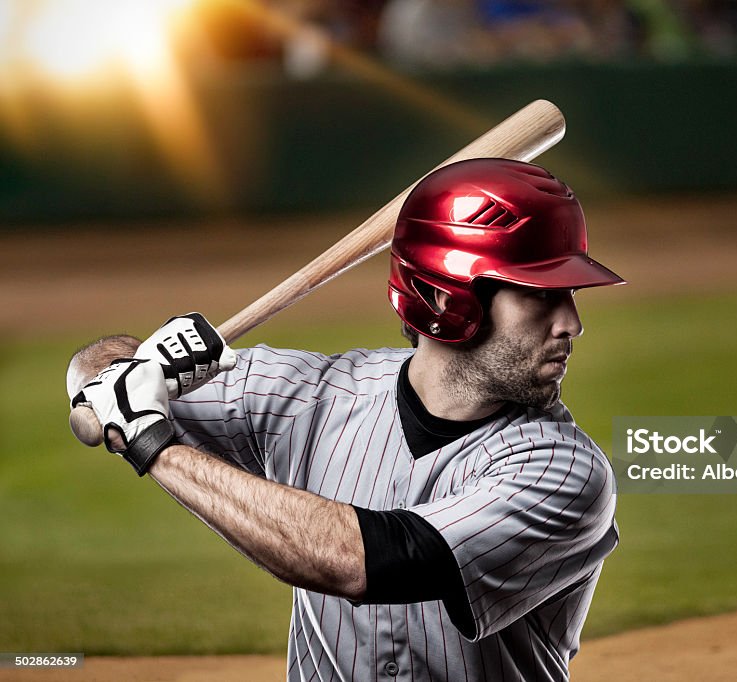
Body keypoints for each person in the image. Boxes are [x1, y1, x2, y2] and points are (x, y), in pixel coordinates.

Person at [67, 158, 624, 681]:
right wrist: (132, 368)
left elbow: (359, 560)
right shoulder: (310, 395)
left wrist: (154, 444)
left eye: (569, 294)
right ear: (446, 297)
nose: (572, 323)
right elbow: (93, 376)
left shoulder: (566, 473)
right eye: (541, 296)